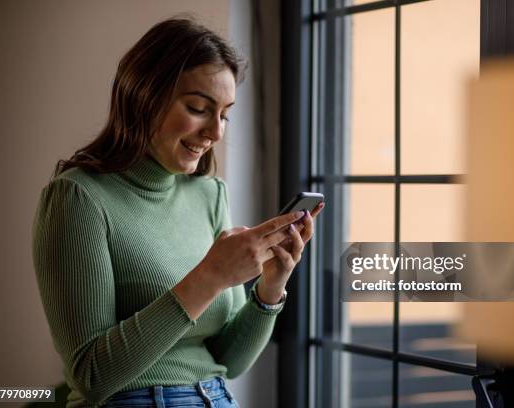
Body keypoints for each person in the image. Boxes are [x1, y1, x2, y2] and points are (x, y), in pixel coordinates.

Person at [32, 18, 323, 408]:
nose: (216, 133)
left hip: (218, 397)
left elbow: (229, 362)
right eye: (199, 108)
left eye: (224, 114)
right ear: (144, 96)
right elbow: (91, 376)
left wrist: (270, 288)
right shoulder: (78, 198)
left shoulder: (209, 194)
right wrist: (211, 276)